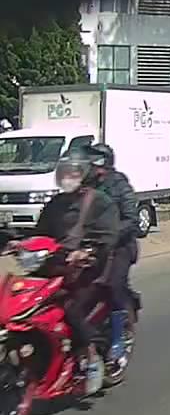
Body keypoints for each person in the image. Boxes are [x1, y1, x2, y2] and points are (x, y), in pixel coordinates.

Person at [32, 148, 119, 394]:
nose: (68, 177)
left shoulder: (100, 202)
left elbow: (107, 237)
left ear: (85, 174)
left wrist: (87, 252)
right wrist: (18, 243)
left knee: (70, 309)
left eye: (73, 173)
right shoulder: (55, 203)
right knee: (26, 303)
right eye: (64, 173)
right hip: (55, 266)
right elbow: (39, 233)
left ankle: (92, 356)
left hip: (89, 271)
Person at [83, 143, 139, 363]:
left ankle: (117, 339)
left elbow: (131, 219)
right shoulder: (84, 185)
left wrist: (110, 236)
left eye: (96, 160)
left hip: (119, 246)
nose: (91, 164)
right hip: (89, 246)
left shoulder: (119, 184)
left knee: (114, 285)